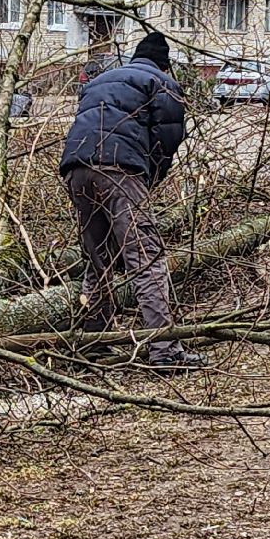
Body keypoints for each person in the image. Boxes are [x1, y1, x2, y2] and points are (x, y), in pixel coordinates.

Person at [59, 31, 205, 370]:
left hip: (76, 169)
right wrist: (146, 182)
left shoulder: (99, 80)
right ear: (164, 63)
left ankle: (93, 341)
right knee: (146, 257)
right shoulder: (161, 82)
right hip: (120, 169)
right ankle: (164, 351)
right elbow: (165, 142)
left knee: (100, 259)